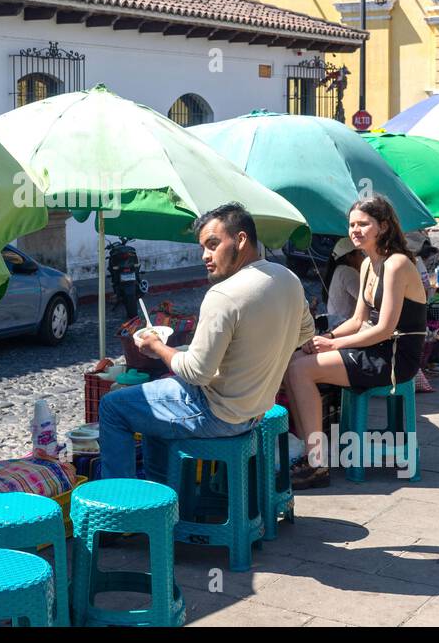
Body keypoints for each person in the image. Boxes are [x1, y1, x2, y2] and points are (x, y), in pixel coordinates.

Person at [97, 203, 313, 488]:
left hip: (218, 412)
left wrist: (158, 347)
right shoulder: (288, 278)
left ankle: (123, 508)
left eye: (213, 245)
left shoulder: (223, 294)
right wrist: (257, 353)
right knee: (152, 402)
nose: (205, 256)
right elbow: (305, 333)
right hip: (256, 408)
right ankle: (166, 497)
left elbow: (197, 373)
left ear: (241, 240)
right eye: (203, 248)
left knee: (112, 407)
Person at [284, 195, 428, 489]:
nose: (355, 230)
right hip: (374, 346)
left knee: (302, 370)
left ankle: (317, 464)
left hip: (395, 355)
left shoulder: (397, 264)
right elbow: (358, 319)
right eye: (352, 225)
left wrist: (336, 346)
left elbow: (385, 328)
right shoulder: (366, 264)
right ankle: (305, 450)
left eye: (363, 224)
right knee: (294, 361)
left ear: (383, 227)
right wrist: (326, 337)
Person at [325, 237, 364, 330]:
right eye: (360, 254)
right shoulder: (348, 272)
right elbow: (365, 300)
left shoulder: (340, 269)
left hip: (336, 323)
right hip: (343, 325)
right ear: (349, 257)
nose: (363, 257)